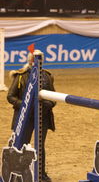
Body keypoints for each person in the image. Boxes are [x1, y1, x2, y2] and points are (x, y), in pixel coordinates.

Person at [7, 53, 56, 182]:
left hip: (43, 116)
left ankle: (41, 173)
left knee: (40, 145)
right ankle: (19, 173)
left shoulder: (48, 76)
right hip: (25, 117)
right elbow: (10, 96)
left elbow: (54, 97)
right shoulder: (20, 76)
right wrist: (24, 106)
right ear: (30, 61)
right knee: (23, 144)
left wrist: (49, 104)